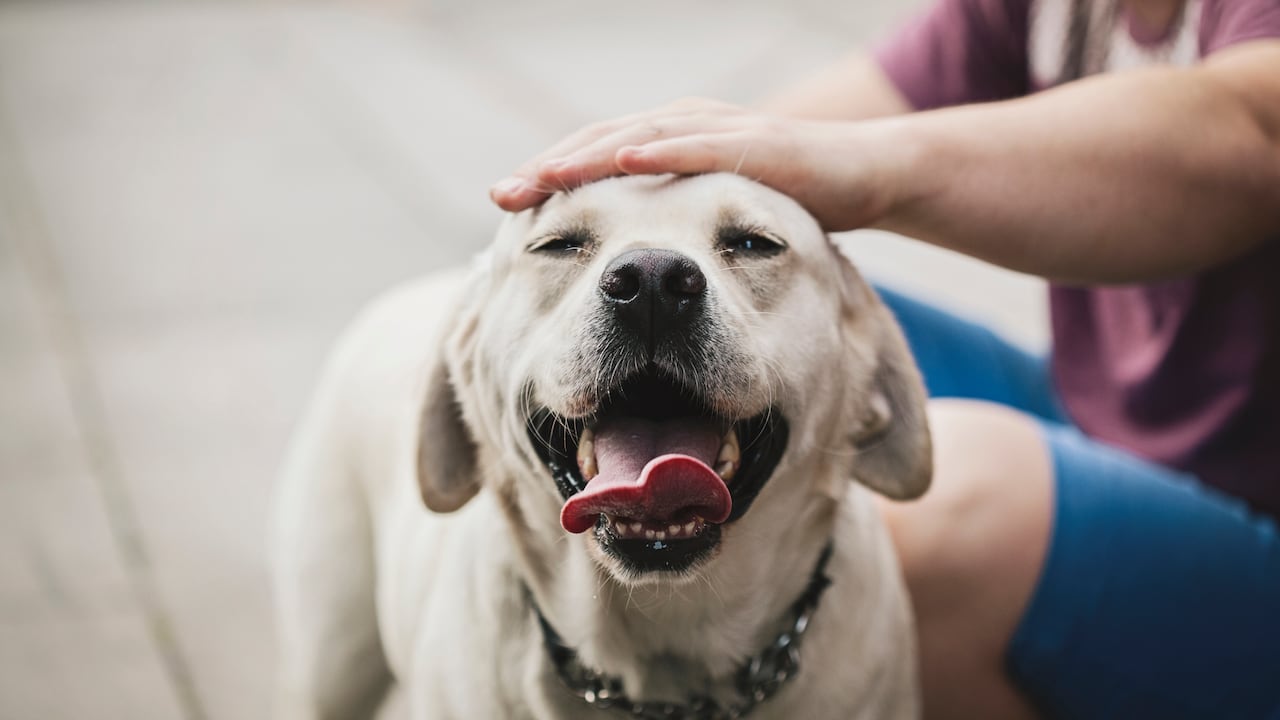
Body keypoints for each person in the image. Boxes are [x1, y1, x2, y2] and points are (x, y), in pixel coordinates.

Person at [489, 0, 1280, 717]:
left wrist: (874, 171)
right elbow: (764, 153)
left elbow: (1256, 127)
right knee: (797, 308)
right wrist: (594, 241)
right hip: (1101, 412)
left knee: (952, 506)